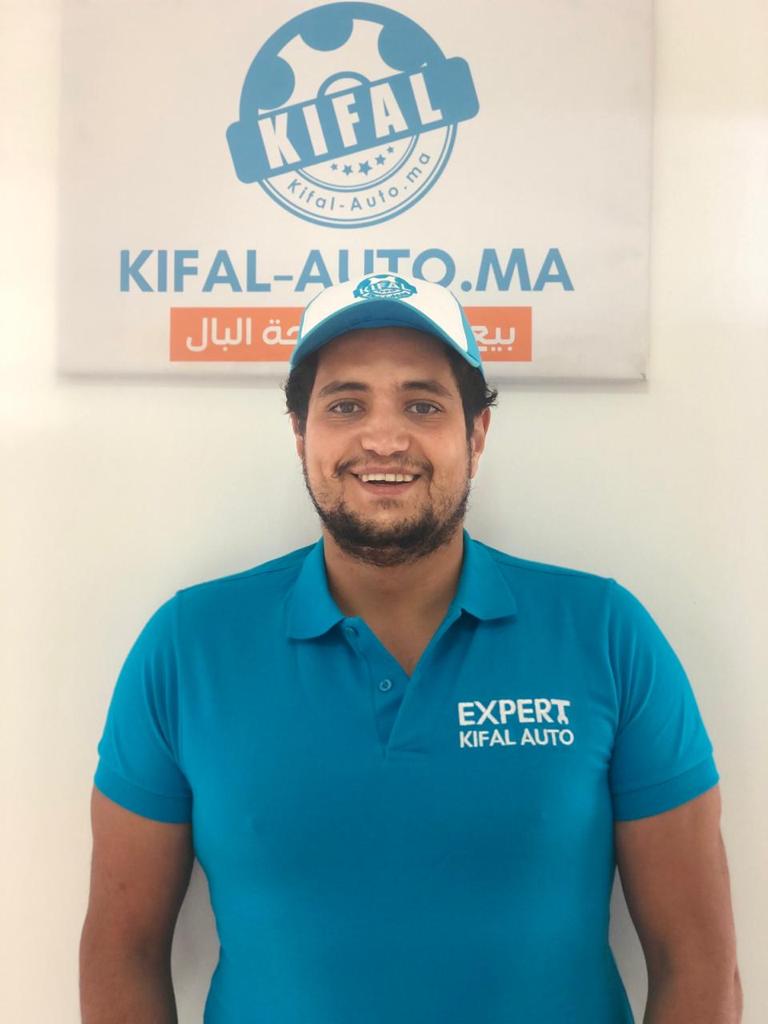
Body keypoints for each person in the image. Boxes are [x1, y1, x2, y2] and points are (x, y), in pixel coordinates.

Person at [80, 273, 742, 1023]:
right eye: (346, 405)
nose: (384, 438)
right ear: (301, 435)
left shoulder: (605, 634)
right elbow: (122, 951)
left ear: (476, 436)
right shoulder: (188, 647)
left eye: (423, 405)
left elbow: (699, 961)